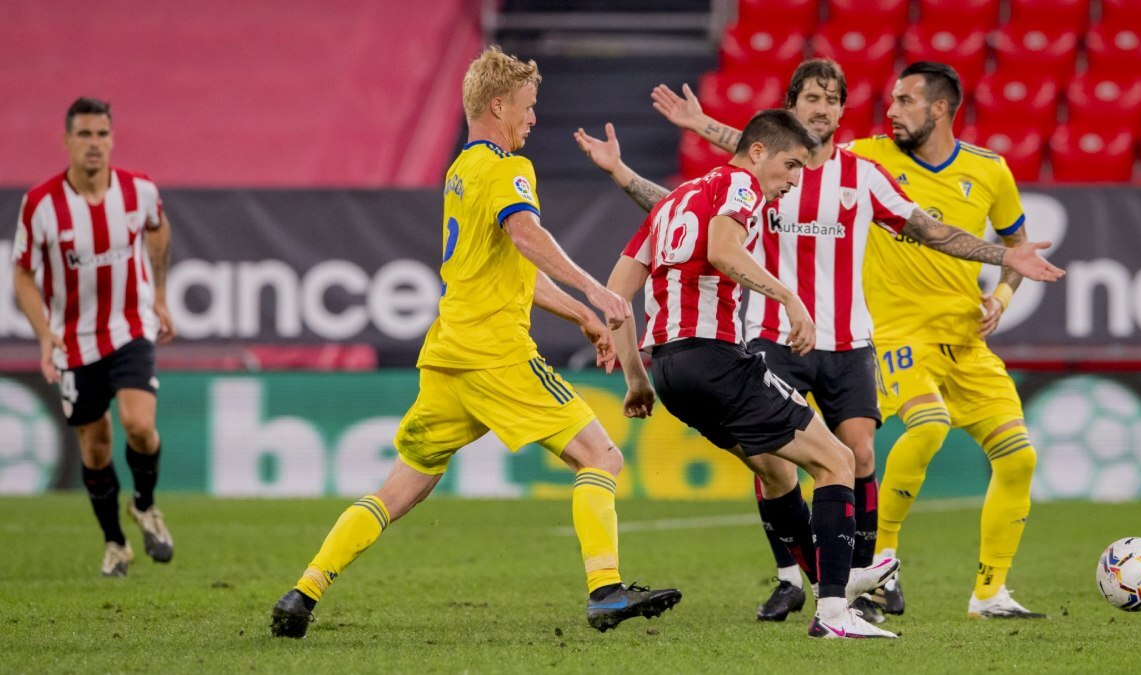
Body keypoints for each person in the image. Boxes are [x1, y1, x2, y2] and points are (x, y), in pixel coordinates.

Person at [578, 59, 1063, 623]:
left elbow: (926, 230)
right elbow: (725, 203)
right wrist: (784, 295)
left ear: (840, 110)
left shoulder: (854, 171)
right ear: (791, 109)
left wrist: (1005, 257)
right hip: (766, 333)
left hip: (837, 338)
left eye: (833, 99)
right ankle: (820, 588)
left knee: (846, 455)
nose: (822, 108)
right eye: (812, 97)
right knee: (795, 462)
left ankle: (856, 577)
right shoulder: (756, 177)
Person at [269, 46, 681, 639]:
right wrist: (598, 293)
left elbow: (511, 260)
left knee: (401, 484)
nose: (534, 119)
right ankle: (606, 591)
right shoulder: (509, 169)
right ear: (497, 104)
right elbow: (525, 231)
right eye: (528, 106)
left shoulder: (461, 170)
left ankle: (303, 592)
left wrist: (579, 319)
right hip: (496, 353)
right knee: (603, 457)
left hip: (446, 357)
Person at [609, 107, 903, 640]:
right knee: (837, 460)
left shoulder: (674, 200)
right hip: (715, 358)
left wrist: (636, 378)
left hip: (671, 371)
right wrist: (789, 297)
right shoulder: (740, 185)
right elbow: (723, 251)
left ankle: (829, 588)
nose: (794, 181)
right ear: (759, 151)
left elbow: (614, 298)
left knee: (777, 472)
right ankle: (836, 611)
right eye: (791, 166)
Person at [12, 97, 176, 577]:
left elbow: (159, 229)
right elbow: (23, 274)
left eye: (102, 134)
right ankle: (115, 544)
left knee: (140, 425)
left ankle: (144, 505)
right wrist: (44, 337)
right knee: (96, 447)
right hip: (74, 341)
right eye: (84, 135)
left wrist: (160, 296)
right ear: (67, 141)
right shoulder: (41, 204)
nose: (94, 144)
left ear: (112, 139)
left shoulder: (139, 190)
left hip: (131, 326)